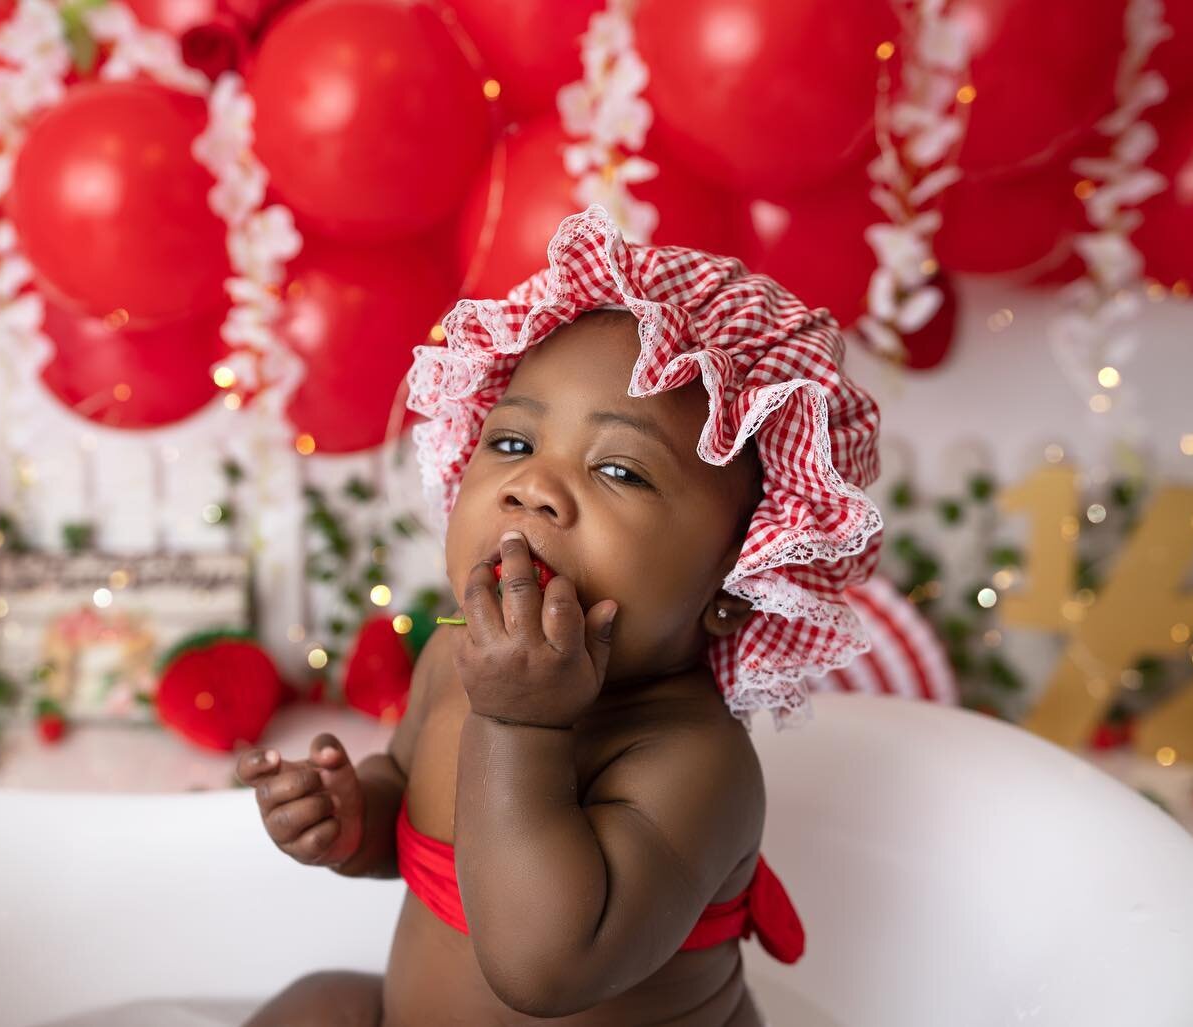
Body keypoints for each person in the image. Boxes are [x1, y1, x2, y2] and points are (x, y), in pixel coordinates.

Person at [237, 205, 884, 1026]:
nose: (533, 485)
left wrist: (520, 725)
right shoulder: (452, 660)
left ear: (740, 572)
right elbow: (415, 793)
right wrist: (353, 817)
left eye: (619, 468)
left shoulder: (695, 763)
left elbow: (543, 967)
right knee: (316, 1006)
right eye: (510, 444)